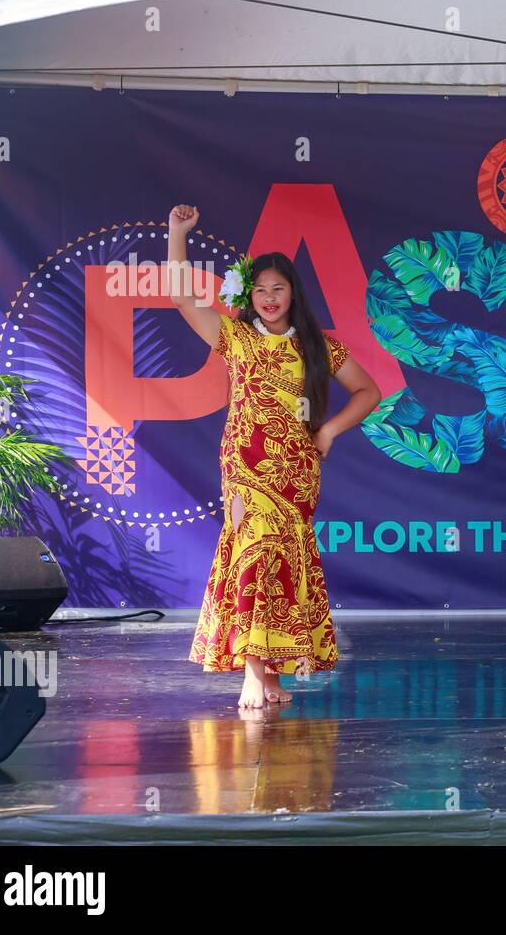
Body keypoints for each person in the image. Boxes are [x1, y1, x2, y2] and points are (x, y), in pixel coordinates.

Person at [166, 203, 380, 708]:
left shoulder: (318, 346)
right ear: (249, 295)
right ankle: (251, 670)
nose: (268, 298)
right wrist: (179, 234)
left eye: (277, 289)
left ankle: (273, 677)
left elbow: (368, 393)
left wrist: (326, 432)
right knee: (254, 555)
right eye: (259, 290)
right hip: (244, 470)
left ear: (293, 294)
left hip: (297, 475)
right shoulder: (235, 337)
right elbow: (180, 296)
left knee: (283, 563)